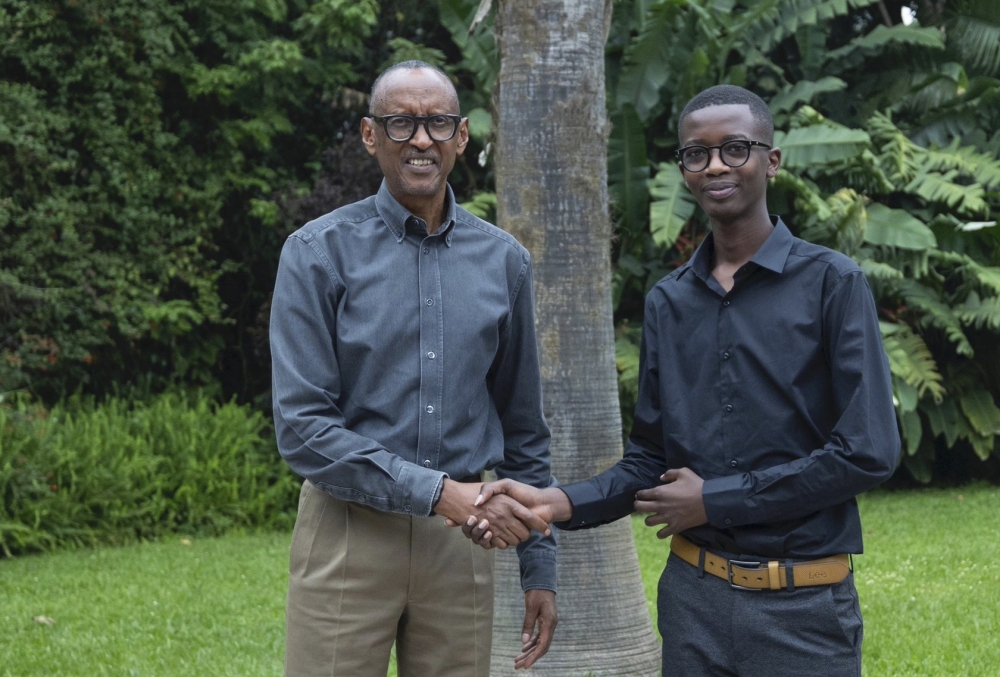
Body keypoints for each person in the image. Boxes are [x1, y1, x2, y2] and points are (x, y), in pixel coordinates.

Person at [461, 84, 901, 676]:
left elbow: (868, 452)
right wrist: (558, 502)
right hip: (694, 603)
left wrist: (714, 500)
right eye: (697, 154)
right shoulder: (669, 301)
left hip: (803, 610)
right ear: (685, 171)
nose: (716, 164)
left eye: (736, 149)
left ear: (771, 160)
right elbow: (650, 459)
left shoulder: (832, 283)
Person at [269, 60, 558, 677]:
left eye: (437, 123)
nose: (420, 139)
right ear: (372, 136)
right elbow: (302, 428)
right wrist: (437, 494)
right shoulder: (317, 253)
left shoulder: (504, 262)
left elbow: (523, 426)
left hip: (462, 546)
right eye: (400, 123)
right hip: (348, 530)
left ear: (461, 137)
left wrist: (540, 567)